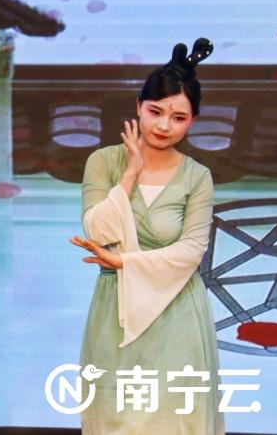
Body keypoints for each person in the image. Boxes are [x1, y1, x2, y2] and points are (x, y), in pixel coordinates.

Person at [70, 38, 223, 434]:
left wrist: (124, 261)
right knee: (115, 417)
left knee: (176, 420)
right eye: (155, 111)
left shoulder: (197, 177)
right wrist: (130, 173)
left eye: (178, 117)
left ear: (192, 120)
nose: (163, 126)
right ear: (139, 105)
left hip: (178, 310)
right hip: (115, 309)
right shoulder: (103, 162)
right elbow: (98, 230)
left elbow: (191, 251)